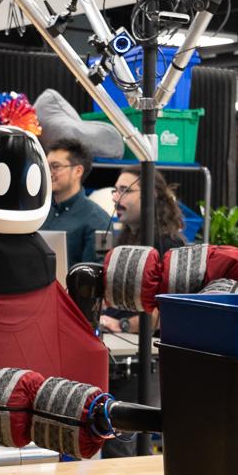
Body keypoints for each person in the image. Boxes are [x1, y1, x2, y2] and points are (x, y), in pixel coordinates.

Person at [100, 169, 185, 339]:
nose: (116, 198)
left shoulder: (169, 245)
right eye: (115, 190)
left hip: (139, 341)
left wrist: (121, 325)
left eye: (125, 190)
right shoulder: (124, 240)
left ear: (150, 195)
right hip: (114, 333)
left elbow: (166, 313)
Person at [39, 136, 112, 268]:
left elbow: (95, 273)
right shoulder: (38, 211)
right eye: (46, 166)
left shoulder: (99, 221)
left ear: (78, 171)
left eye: (55, 167)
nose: (49, 173)